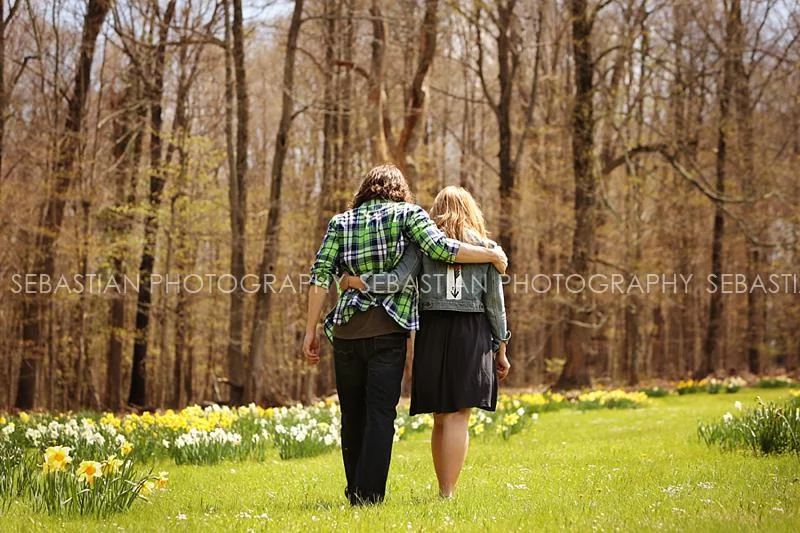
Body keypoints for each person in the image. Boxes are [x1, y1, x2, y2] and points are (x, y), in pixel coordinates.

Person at [303, 165, 507, 506]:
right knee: (381, 415)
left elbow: (321, 274)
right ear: (400, 191)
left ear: (365, 189)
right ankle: (371, 498)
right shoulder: (409, 216)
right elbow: (444, 252)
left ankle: (355, 492)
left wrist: (310, 329)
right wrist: (491, 255)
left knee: (352, 415)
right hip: (390, 329)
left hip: (349, 330)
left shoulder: (341, 222)